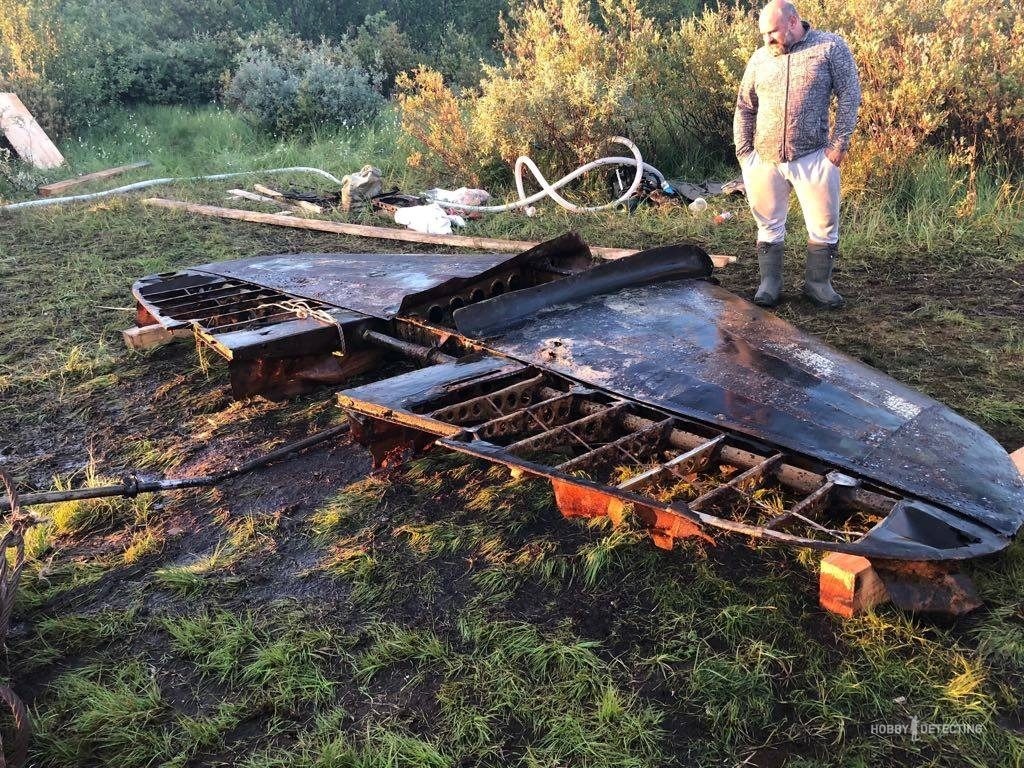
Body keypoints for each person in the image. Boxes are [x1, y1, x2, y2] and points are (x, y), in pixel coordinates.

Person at [733, 0, 861, 309]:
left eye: (772, 32)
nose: (767, 40)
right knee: (768, 224)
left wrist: (838, 146)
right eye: (764, 34)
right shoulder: (761, 57)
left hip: (814, 155)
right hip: (764, 159)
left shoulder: (830, 46)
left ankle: (818, 284)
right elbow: (744, 106)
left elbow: (850, 94)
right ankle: (770, 283)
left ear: (793, 22)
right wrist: (744, 152)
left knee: (824, 225)